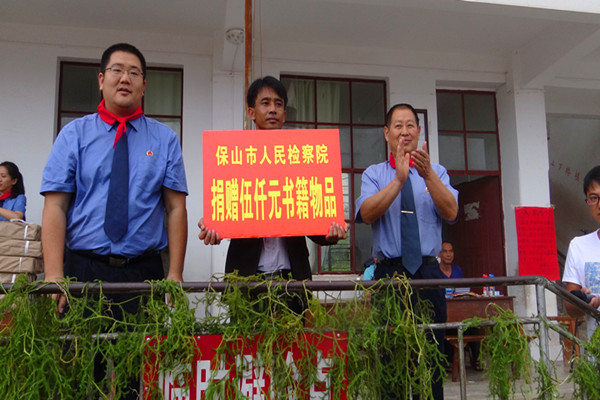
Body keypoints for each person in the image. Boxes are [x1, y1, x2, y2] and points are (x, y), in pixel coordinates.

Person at [41, 43, 188, 399]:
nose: (125, 78)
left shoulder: (165, 139)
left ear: (144, 86)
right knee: (79, 375)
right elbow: (56, 206)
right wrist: (54, 274)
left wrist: (174, 274)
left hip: (142, 275)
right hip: (83, 271)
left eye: (134, 73)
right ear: (101, 79)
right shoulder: (74, 135)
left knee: (135, 377)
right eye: (117, 70)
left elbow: (175, 208)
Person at [198, 76, 347, 312]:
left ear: (284, 114)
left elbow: (311, 220)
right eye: (265, 103)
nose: (273, 109)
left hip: (292, 278)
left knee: (292, 337)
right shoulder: (235, 159)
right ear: (251, 112)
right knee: (247, 338)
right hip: (247, 278)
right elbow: (226, 214)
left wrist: (332, 232)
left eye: (278, 104)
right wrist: (213, 225)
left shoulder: (300, 159)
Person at [355, 103, 458, 400]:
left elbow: (451, 212)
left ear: (419, 131)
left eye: (410, 125)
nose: (404, 131)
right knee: (391, 358)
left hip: (428, 273)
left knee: (431, 356)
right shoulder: (374, 174)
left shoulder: (437, 172)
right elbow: (367, 214)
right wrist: (399, 180)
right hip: (390, 274)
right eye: (398, 126)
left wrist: (427, 176)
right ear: (386, 133)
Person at [563, 165, 600, 340]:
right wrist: (583, 301)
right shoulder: (578, 246)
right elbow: (571, 308)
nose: (599, 205)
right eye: (593, 198)